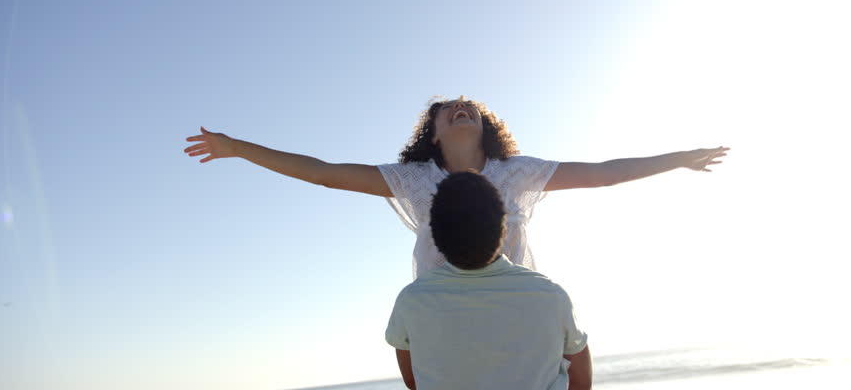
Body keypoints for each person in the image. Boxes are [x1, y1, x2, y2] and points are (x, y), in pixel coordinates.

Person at [184, 96, 729, 278]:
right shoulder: (413, 180)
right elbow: (323, 172)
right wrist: (238, 147)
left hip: (517, 301)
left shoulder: (517, 173)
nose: (460, 108)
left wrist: (678, 158)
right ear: (434, 132)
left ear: (485, 124)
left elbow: (605, 173)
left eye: (469, 106)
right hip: (440, 308)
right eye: (447, 110)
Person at [385, 171, 591, 390]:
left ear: (435, 234)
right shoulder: (551, 296)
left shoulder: (412, 300)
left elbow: (414, 381)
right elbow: (581, 383)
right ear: (503, 227)